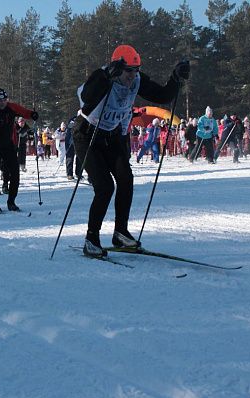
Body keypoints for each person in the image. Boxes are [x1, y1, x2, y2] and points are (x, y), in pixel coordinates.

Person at [73, 44, 189, 256]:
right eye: (129, 71)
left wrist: (175, 78)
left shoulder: (136, 80)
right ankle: (91, 238)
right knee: (105, 186)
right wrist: (106, 77)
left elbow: (162, 95)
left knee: (126, 179)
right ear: (117, 67)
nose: (133, 75)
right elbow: (87, 99)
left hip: (112, 135)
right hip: (86, 135)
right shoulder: (102, 76)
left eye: (136, 70)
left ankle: (120, 233)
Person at [0, 87, 38, 213]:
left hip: (8, 145)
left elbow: (23, 111)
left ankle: (11, 202)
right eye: (0, 100)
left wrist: (31, 115)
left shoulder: (11, 107)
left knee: (15, 173)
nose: (3, 102)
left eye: (5, 100)